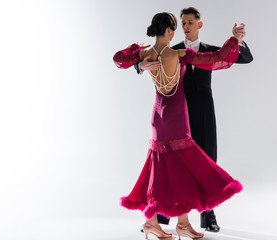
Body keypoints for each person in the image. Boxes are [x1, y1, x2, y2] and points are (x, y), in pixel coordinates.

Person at [113, 12, 243, 239]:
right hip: (176, 115)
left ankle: (171, 222)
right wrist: (234, 40)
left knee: (162, 165)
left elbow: (118, 58)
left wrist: (139, 58)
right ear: (171, 31)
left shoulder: (145, 53)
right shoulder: (179, 54)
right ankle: (155, 221)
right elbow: (218, 58)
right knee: (181, 165)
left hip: (157, 115)